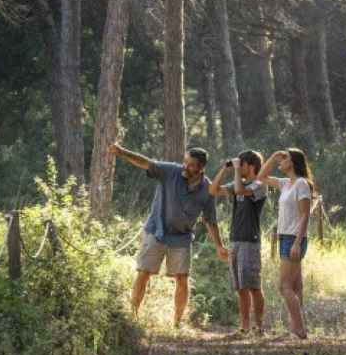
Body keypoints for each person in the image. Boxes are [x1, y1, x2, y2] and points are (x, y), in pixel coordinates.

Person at [110, 143, 229, 327]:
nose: (185, 166)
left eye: (190, 164)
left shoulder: (207, 189)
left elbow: (210, 220)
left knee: (182, 279)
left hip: (181, 238)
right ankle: (133, 317)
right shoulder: (171, 171)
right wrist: (121, 152)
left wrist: (219, 246)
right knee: (143, 273)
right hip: (156, 231)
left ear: (201, 168)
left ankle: (177, 323)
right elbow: (146, 163)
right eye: (185, 162)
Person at [257, 148, 314, 339]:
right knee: (296, 286)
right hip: (285, 236)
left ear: (294, 162)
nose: (281, 160)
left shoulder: (302, 184)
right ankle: (297, 327)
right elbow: (261, 176)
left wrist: (297, 243)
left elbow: (305, 215)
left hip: (294, 238)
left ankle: (299, 328)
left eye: (285, 158)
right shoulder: (285, 184)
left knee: (284, 286)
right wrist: (273, 156)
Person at [208, 150, 267, 335]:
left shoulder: (260, 185)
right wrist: (225, 169)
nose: (238, 168)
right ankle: (244, 327)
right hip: (235, 240)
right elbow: (213, 190)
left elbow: (241, 191)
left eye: (241, 165)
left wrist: (234, 170)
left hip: (250, 241)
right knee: (240, 287)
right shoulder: (237, 183)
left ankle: (259, 327)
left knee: (254, 286)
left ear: (249, 166)